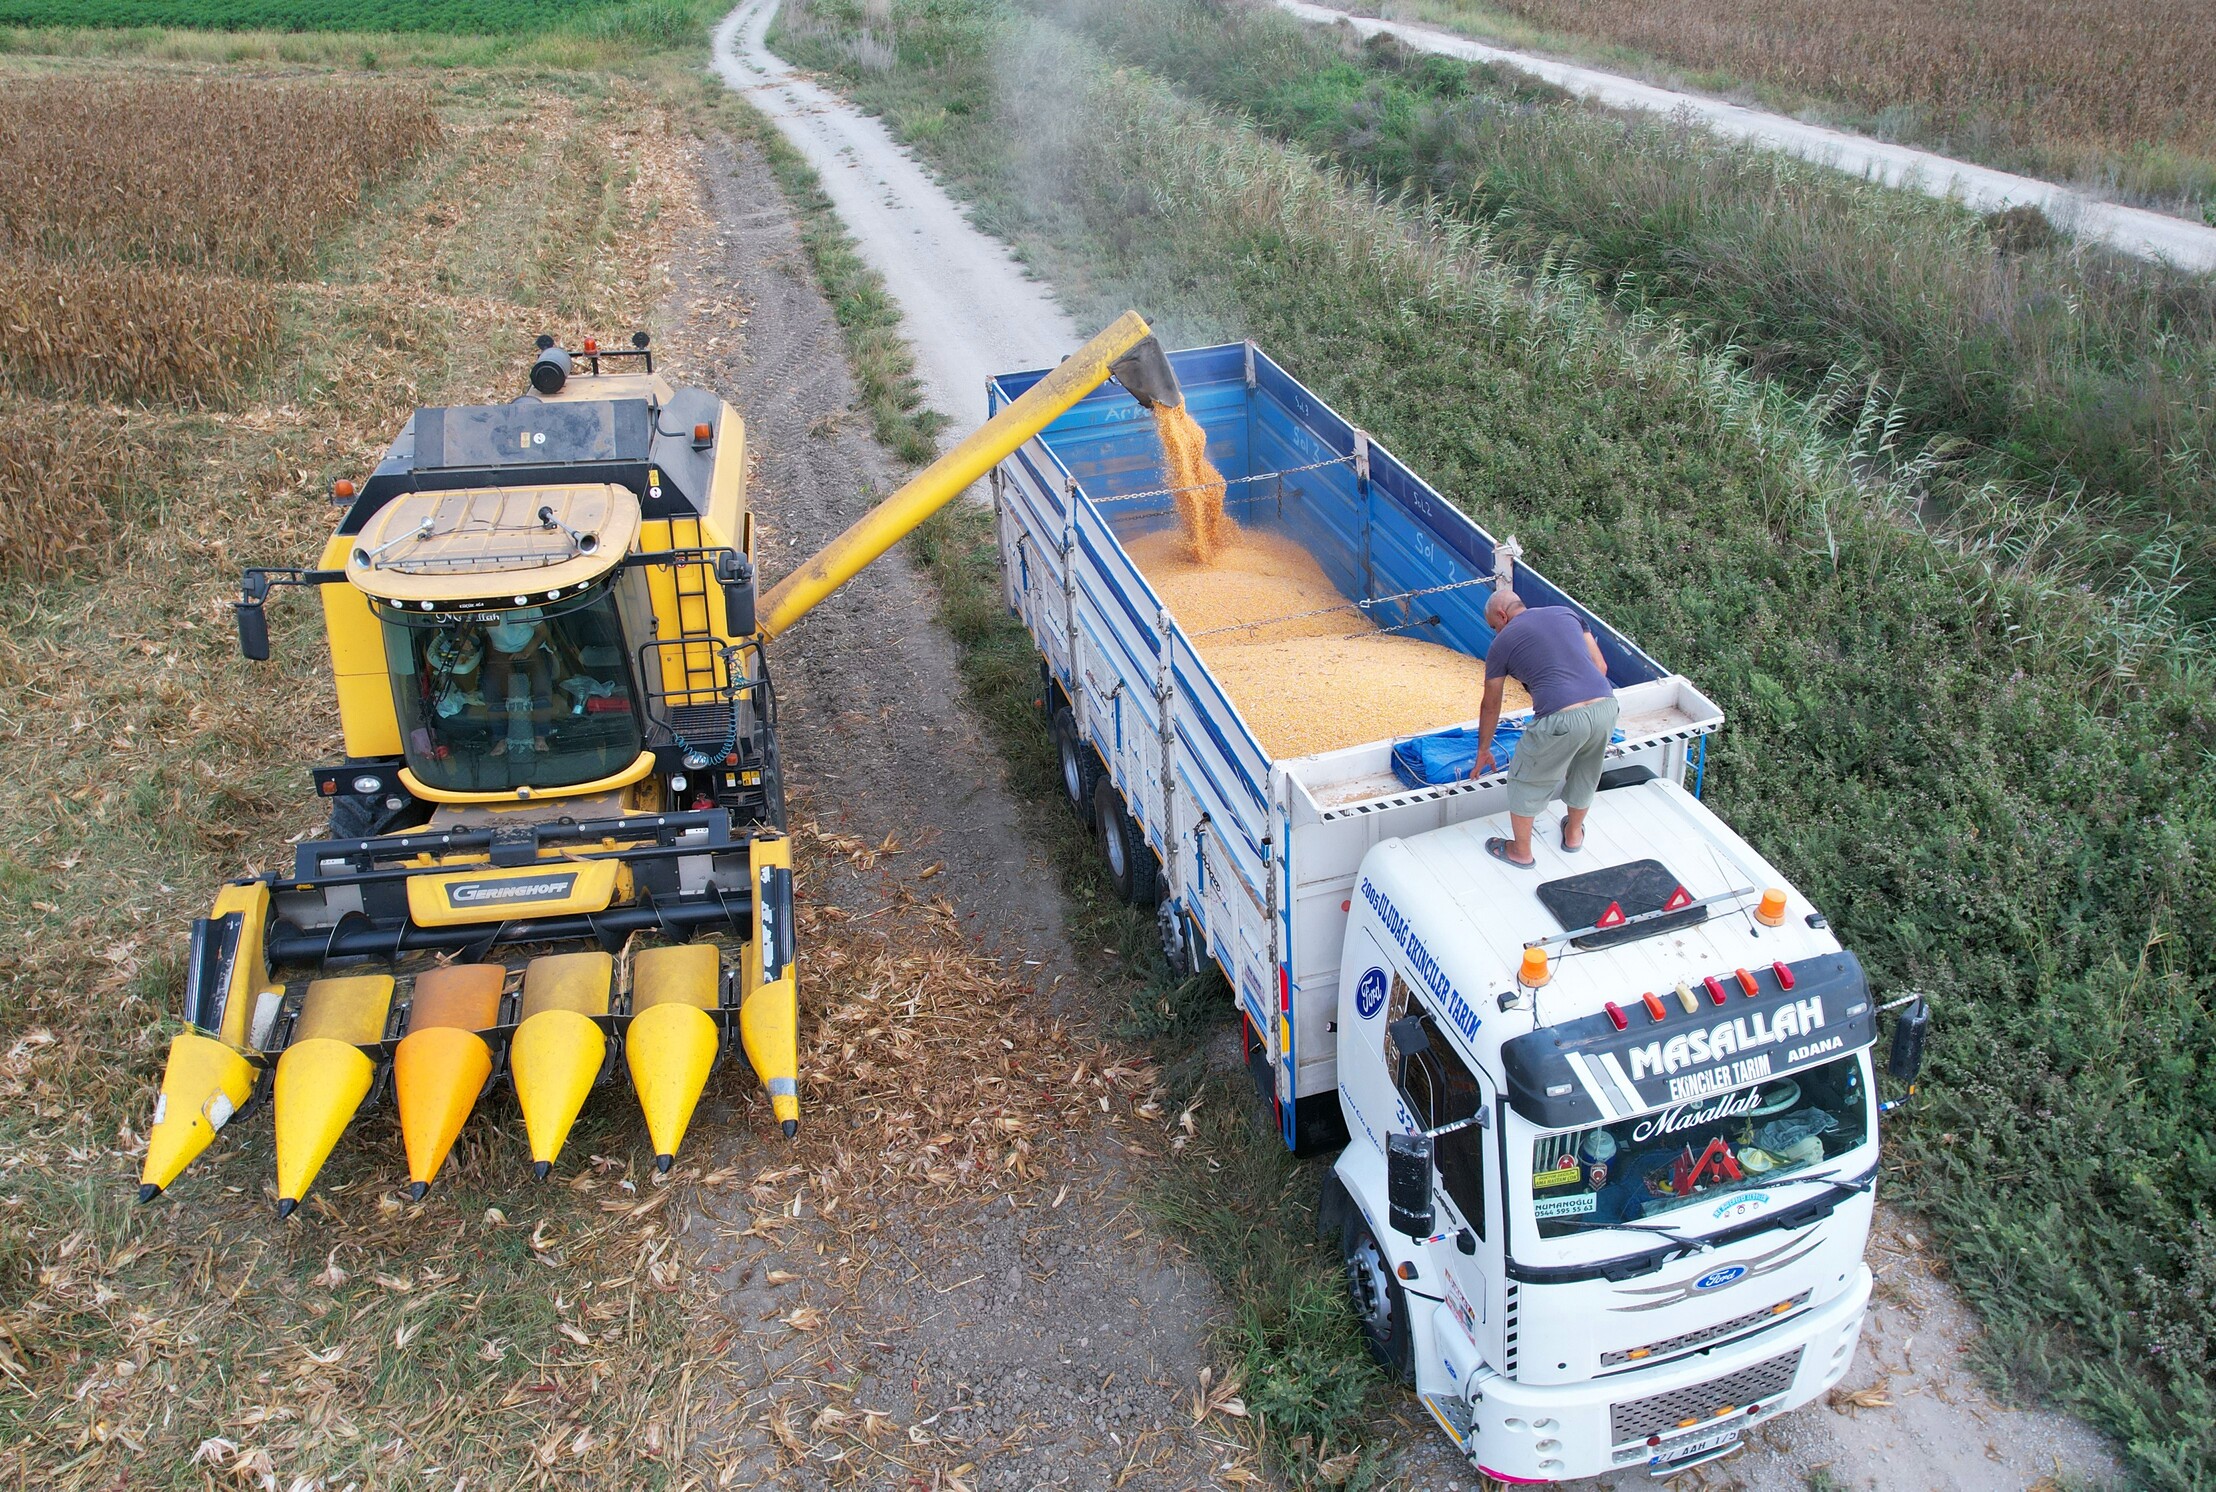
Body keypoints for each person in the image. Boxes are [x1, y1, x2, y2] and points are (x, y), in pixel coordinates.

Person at [1469, 591, 1619, 868]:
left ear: (1502, 615)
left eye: (1494, 626)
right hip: (1606, 707)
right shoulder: (1566, 613)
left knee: (1526, 778)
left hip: (1559, 717)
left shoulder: (1502, 643)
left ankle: (1520, 852)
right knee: (1587, 769)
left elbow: (1491, 703)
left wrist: (1483, 749)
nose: (1496, 632)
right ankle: (1573, 835)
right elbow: (1601, 665)